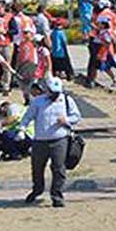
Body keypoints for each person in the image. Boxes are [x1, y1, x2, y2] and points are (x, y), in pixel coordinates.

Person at [24, 79, 81, 208]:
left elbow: (76, 116)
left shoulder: (66, 100)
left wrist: (66, 120)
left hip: (60, 139)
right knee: (37, 167)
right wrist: (22, 129)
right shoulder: (38, 101)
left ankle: (57, 195)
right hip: (40, 140)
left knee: (59, 168)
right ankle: (37, 189)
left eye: (57, 93)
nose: (55, 95)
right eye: (52, 93)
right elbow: (28, 116)